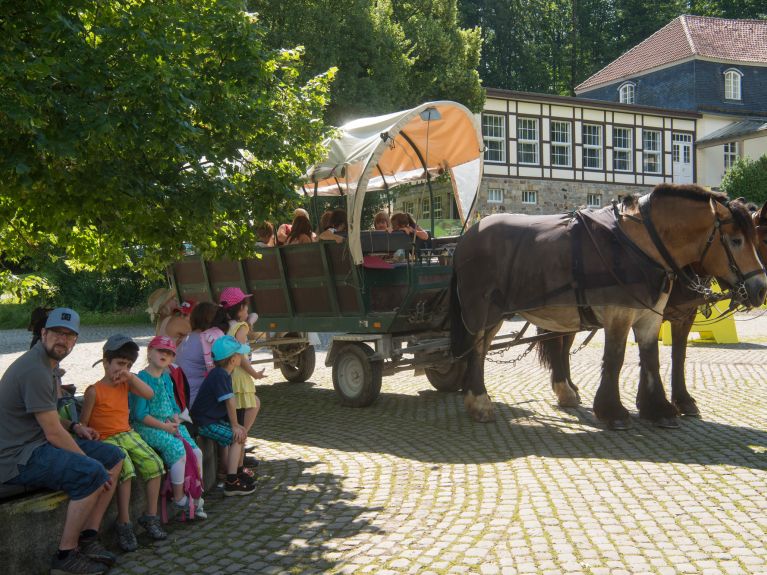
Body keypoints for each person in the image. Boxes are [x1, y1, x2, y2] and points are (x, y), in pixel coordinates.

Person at [0, 308, 124, 575]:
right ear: (43, 333)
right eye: (57, 333)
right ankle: (65, 556)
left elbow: (50, 417)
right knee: (92, 472)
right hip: (16, 457)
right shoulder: (34, 369)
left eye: (69, 336)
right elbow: (53, 433)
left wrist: (76, 426)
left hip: (36, 443)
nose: (63, 340)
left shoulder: (47, 365)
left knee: (114, 457)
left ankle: (88, 538)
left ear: (75, 341)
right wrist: (87, 460)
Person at [80, 335, 167, 552]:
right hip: (106, 438)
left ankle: (150, 516)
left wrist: (131, 377)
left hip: (127, 433)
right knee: (125, 470)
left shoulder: (125, 384)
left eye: (128, 365)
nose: (123, 369)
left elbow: (149, 393)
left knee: (154, 464)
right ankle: (124, 523)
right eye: (119, 363)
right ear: (106, 361)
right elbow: (83, 423)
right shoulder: (94, 391)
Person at [132, 336, 205, 518]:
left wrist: (174, 419)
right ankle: (179, 498)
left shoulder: (167, 377)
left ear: (173, 358)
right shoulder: (141, 379)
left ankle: (196, 496)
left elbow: (173, 403)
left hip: (169, 423)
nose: (164, 355)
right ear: (149, 353)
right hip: (149, 426)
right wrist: (165, 427)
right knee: (177, 449)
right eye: (160, 350)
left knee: (197, 452)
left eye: (169, 353)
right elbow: (140, 414)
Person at [190, 336, 257, 496]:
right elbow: (230, 402)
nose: (243, 357)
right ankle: (232, 482)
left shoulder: (221, 373)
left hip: (211, 419)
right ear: (233, 359)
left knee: (240, 434)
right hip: (205, 422)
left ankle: (236, 473)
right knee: (237, 437)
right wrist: (234, 425)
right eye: (241, 354)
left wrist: (236, 426)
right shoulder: (220, 375)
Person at [219, 288, 265, 477]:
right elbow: (241, 357)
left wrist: (249, 320)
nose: (248, 310)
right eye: (245, 307)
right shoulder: (241, 328)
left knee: (237, 425)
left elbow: (252, 316)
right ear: (239, 309)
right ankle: (236, 471)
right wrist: (255, 374)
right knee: (239, 431)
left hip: (230, 376)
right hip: (240, 379)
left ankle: (235, 467)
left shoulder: (223, 327)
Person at [176, 302, 225, 407]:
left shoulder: (189, 337)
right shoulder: (206, 339)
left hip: (184, 397)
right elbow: (224, 368)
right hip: (197, 401)